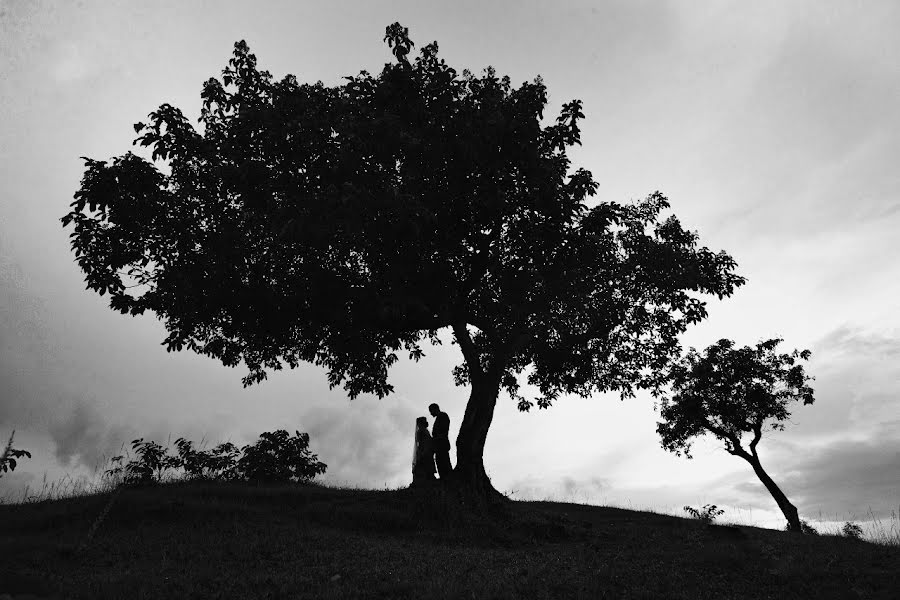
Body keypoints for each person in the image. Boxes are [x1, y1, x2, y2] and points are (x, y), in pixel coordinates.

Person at [429, 403, 452, 480]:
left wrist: (435, 439)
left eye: (431, 411)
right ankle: (445, 478)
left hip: (442, 444)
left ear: (435, 409)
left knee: (444, 462)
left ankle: (447, 478)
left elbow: (443, 431)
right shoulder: (440, 417)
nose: (430, 413)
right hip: (439, 445)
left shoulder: (443, 416)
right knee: (440, 462)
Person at [411, 416, 436, 485]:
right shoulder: (421, 431)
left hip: (426, 450)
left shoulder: (424, 430)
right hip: (424, 450)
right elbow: (422, 442)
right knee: (425, 465)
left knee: (426, 465)